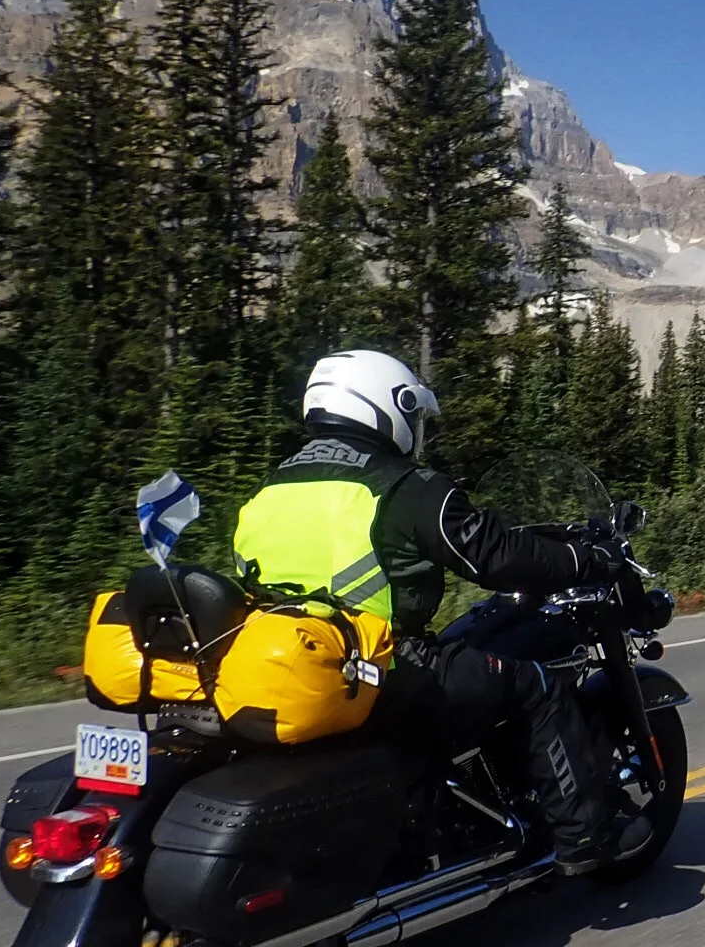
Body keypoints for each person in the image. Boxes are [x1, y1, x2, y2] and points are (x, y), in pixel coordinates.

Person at [232, 348, 649, 874]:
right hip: (386, 666)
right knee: (536, 685)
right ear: (387, 406)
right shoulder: (406, 487)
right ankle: (587, 835)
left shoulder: (270, 490)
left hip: (296, 665)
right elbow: (496, 557)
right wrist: (582, 558)